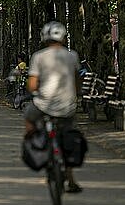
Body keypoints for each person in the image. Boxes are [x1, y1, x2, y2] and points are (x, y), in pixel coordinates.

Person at [24, 21, 83, 194]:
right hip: (68, 106)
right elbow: (77, 81)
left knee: (28, 118)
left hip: (44, 105)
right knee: (68, 138)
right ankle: (71, 179)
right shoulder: (72, 56)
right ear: (64, 38)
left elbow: (33, 85)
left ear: (44, 37)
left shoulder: (39, 57)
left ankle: (36, 148)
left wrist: (34, 90)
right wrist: (75, 94)